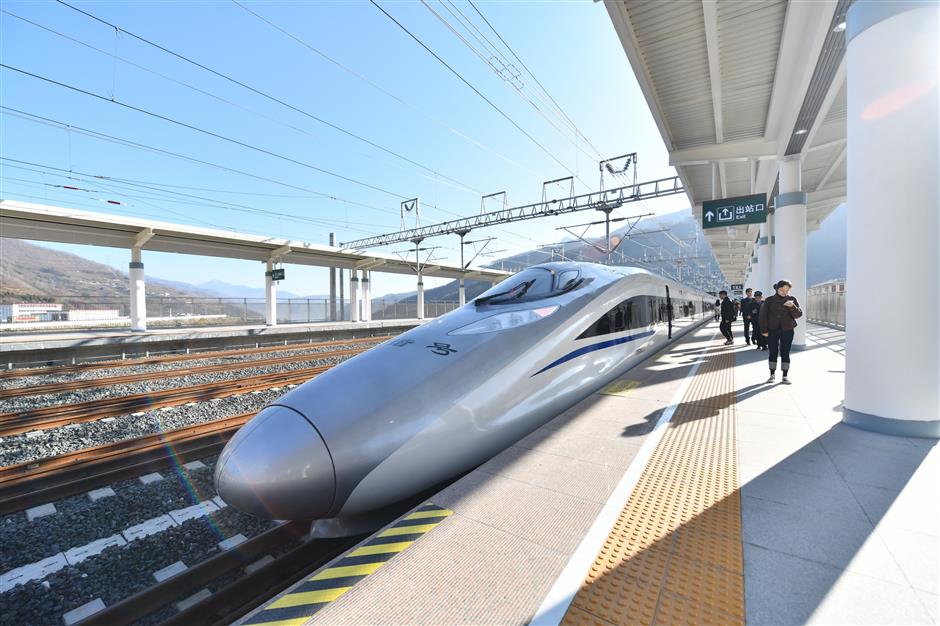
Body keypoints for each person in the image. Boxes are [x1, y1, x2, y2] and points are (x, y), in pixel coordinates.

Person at [758, 279, 803, 384]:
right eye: (782, 289)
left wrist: (792, 307)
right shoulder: (769, 300)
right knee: (772, 352)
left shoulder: (792, 299)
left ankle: (785, 376)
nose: (785, 292)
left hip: (787, 330)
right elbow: (762, 316)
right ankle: (772, 374)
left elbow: (798, 315)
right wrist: (764, 330)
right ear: (777, 288)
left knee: (785, 352)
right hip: (772, 330)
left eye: (787, 290)